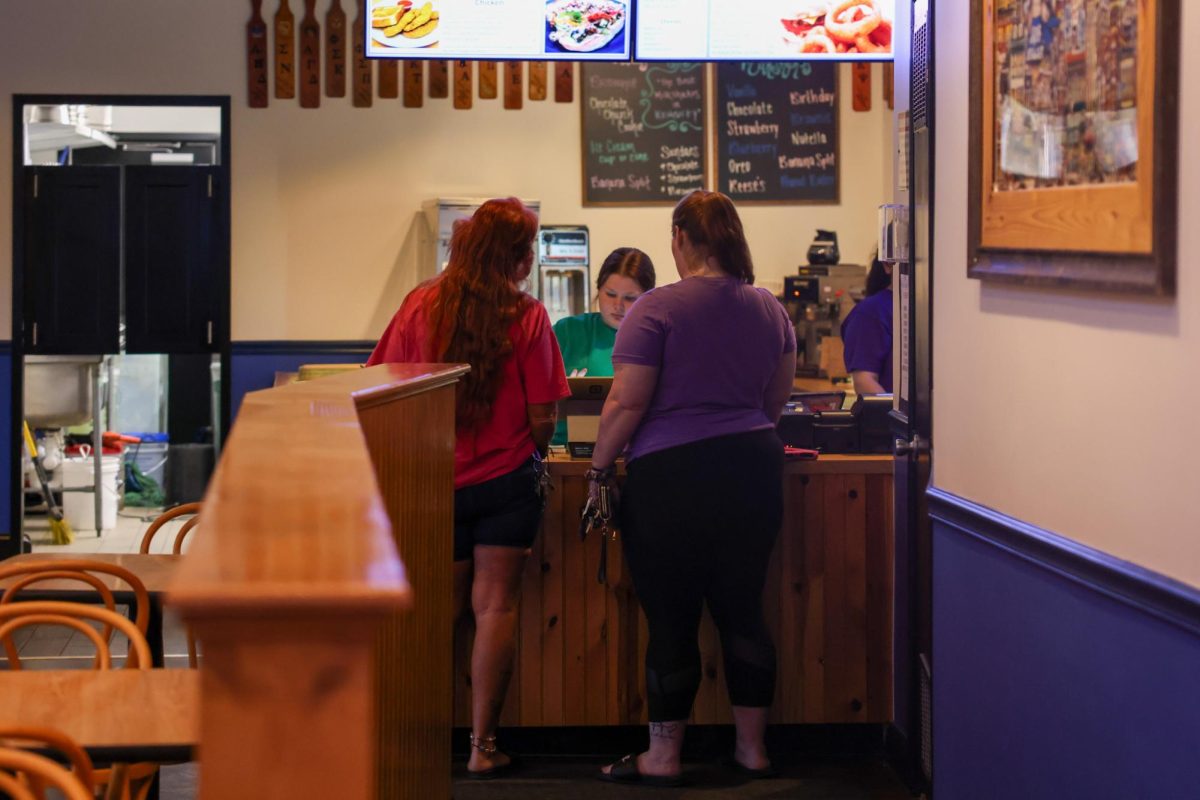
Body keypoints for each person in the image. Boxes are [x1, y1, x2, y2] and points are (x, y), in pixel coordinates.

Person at [589, 190, 797, 787]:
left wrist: (600, 470)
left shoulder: (654, 310)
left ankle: (664, 757)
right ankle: (753, 752)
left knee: (673, 621)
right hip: (753, 467)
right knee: (744, 612)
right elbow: (775, 399)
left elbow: (626, 403)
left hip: (670, 476)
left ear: (680, 238)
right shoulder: (768, 308)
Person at [366, 197, 569, 779]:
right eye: (526, 251)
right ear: (512, 256)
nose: (530, 261)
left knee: (438, 615)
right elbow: (543, 416)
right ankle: (483, 747)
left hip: (433, 484)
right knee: (495, 607)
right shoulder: (527, 315)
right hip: (507, 484)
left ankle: (416, 743)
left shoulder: (418, 304)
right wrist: (525, 451)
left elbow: (380, 387)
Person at [551, 247, 656, 445]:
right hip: (564, 450)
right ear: (598, 290)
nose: (618, 305)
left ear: (647, 298)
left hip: (633, 452)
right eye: (610, 294)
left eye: (630, 298)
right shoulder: (567, 331)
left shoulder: (656, 340)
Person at [840, 253, 893, 394]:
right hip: (895, 414)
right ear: (888, 265)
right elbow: (864, 382)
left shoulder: (933, 309)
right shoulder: (870, 312)